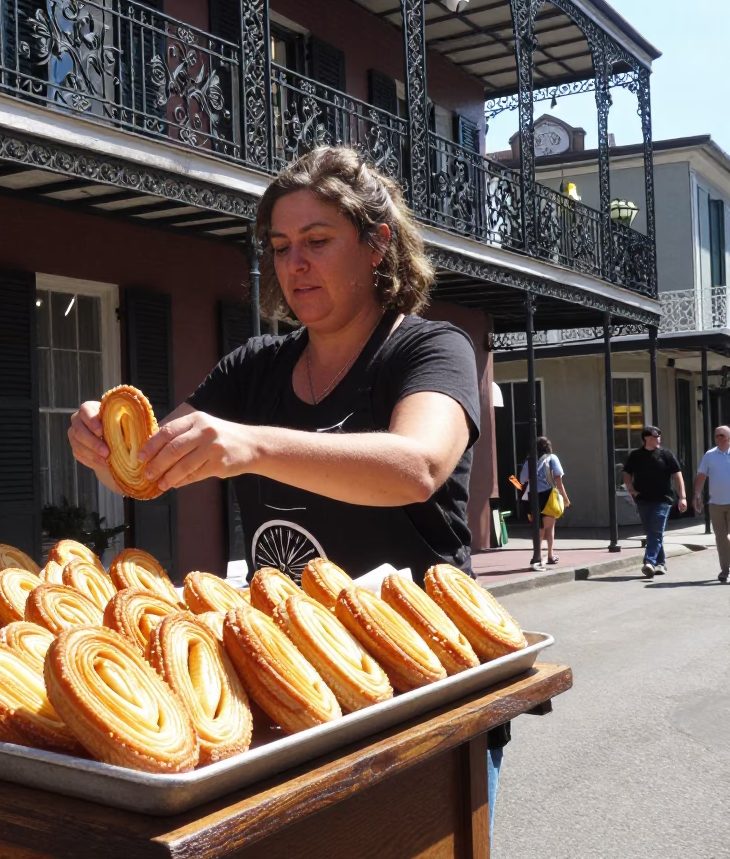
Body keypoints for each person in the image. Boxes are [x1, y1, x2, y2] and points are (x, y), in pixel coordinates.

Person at [67, 146, 507, 837]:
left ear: (376, 245)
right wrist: (105, 448)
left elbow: (417, 465)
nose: (294, 264)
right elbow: (153, 466)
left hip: (418, 688)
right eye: (279, 247)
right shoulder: (255, 368)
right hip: (294, 690)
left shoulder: (429, 349)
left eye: (317, 242)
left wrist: (254, 445)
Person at [622, 425, 686, 578]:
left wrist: (682, 497)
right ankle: (661, 563)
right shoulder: (636, 455)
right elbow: (626, 473)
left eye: (659, 436)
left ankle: (649, 562)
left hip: (663, 499)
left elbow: (678, 476)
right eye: (655, 436)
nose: (658, 439)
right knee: (652, 532)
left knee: (656, 531)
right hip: (642, 499)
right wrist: (631, 489)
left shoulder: (666, 455)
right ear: (646, 438)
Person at [517, 436, 570, 567]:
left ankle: (537, 555)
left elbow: (522, 479)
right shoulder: (552, 458)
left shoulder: (529, 461)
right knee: (550, 527)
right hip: (548, 495)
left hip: (532, 496)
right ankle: (551, 555)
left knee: (538, 527)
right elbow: (558, 480)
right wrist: (565, 498)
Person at [693, 425, 730, 583]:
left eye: (721, 435)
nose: (718, 438)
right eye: (716, 436)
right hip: (715, 503)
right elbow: (701, 476)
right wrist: (697, 495)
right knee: (721, 539)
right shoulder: (709, 455)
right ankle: (725, 570)